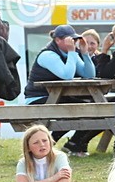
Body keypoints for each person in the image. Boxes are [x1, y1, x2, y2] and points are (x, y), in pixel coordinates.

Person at [24, 24, 97, 155]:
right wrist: (72, 53)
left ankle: (60, 143)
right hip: (38, 99)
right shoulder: (48, 55)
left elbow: (89, 75)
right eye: (70, 39)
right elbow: (67, 75)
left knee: (89, 107)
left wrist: (85, 54)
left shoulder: (70, 54)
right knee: (77, 108)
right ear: (58, 40)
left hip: (55, 97)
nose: (73, 43)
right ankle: (53, 143)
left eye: (74, 40)